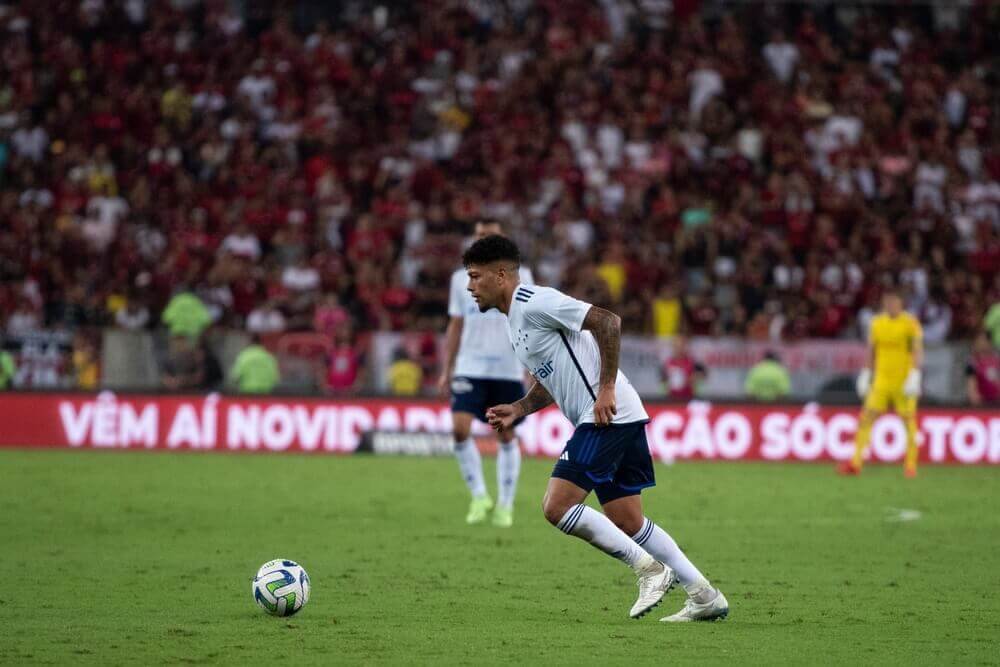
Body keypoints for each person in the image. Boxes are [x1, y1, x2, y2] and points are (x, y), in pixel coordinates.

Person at [466, 235, 727, 622]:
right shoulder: (514, 322)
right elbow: (553, 378)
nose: (470, 287)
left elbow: (607, 321)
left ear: (501, 274)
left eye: (475, 277)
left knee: (557, 506)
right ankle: (704, 595)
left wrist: (605, 389)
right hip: (617, 415)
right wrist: (520, 408)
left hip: (604, 414)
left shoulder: (534, 301)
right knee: (627, 519)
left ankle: (650, 570)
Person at [438, 220, 533, 528]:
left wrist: (531, 366)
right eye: (478, 235)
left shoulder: (522, 277)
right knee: (459, 429)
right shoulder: (460, 280)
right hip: (470, 365)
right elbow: (456, 325)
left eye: (488, 235)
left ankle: (505, 504)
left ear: (501, 237)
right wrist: (447, 368)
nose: (482, 239)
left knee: (506, 433)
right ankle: (479, 496)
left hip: (507, 368)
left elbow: (529, 323)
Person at [840, 288, 923, 477]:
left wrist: (915, 374)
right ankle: (855, 463)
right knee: (866, 417)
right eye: (887, 302)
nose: (890, 305)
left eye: (894, 302)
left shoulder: (911, 323)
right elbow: (872, 350)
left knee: (909, 421)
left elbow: (917, 350)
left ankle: (910, 467)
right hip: (881, 380)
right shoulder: (877, 323)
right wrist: (866, 373)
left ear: (901, 304)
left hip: (903, 381)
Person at [660, 335, 706, 400]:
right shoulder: (668, 362)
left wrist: (694, 377)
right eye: (676, 346)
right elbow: (662, 380)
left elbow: (704, 374)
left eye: (681, 346)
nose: (679, 349)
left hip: (688, 398)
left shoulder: (692, 361)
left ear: (684, 347)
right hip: (671, 399)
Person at [966, 334, 1000, 406]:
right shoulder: (973, 363)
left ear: (989, 342)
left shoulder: (997, 360)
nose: (981, 344)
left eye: (983, 341)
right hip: (983, 404)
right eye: (978, 341)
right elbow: (971, 385)